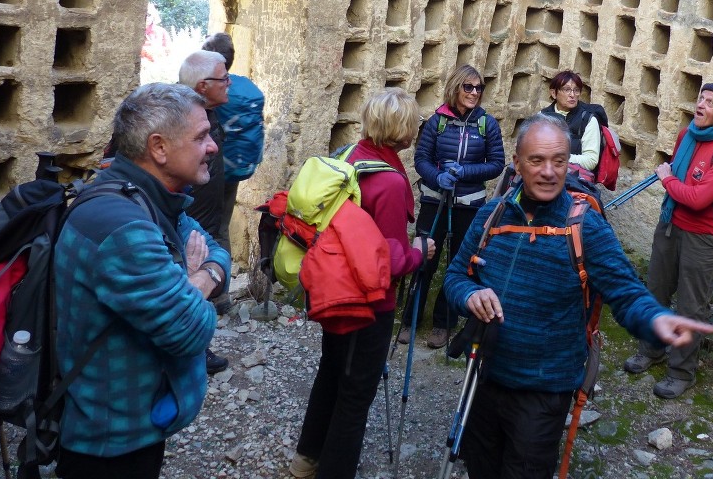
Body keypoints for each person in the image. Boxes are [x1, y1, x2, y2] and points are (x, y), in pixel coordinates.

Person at [443, 113, 713, 479]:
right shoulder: (492, 215)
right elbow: (457, 276)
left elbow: (626, 292)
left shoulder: (583, 224)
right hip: (484, 376)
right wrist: (470, 295)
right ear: (517, 163)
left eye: (559, 160)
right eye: (537, 161)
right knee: (481, 468)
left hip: (544, 388)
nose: (549, 171)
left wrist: (655, 319)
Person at [54, 83, 230, 479]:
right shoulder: (124, 225)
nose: (213, 146)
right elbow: (192, 331)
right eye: (201, 136)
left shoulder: (147, 197)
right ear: (159, 147)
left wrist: (196, 279)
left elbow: (216, 252)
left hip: (131, 424)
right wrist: (198, 285)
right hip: (109, 444)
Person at [290, 88, 434, 479]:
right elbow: (384, 261)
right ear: (402, 130)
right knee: (355, 396)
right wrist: (420, 252)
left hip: (335, 289)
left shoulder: (350, 158)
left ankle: (307, 459)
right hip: (368, 304)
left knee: (331, 373)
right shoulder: (388, 184)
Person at [623, 82, 713, 399]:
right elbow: (680, 184)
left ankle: (681, 372)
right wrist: (672, 181)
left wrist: (667, 178)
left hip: (704, 237)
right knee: (656, 291)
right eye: (700, 98)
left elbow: (697, 198)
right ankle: (651, 350)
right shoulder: (685, 135)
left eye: (710, 101)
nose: (701, 104)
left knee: (691, 307)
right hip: (670, 225)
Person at [407, 64, 504, 349]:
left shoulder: (487, 124)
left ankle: (443, 323)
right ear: (456, 87)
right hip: (434, 200)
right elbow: (421, 158)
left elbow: (496, 164)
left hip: (469, 204)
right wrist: (438, 176)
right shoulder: (438, 121)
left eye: (479, 88)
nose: (474, 93)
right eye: (468, 87)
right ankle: (412, 318)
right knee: (424, 259)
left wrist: (464, 172)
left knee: (457, 264)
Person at [179, 49, 231, 371]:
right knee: (191, 272)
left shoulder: (206, 112)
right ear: (201, 86)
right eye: (222, 78)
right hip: (190, 215)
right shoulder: (180, 117)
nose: (229, 83)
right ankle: (195, 349)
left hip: (205, 210)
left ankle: (199, 344)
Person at [201, 32, 265, 236]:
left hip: (207, 168)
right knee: (221, 228)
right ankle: (222, 266)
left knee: (196, 226)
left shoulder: (209, 89)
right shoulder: (244, 86)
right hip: (234, 166)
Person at [541, 71, 600, 182]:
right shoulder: (542, 117)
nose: (572, 95)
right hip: (544, 173)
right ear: (554, 93)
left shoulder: (588, 120)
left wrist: (559, 158)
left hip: (575, 179)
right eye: (567, 89)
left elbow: (591, 160)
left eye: (576, 90)